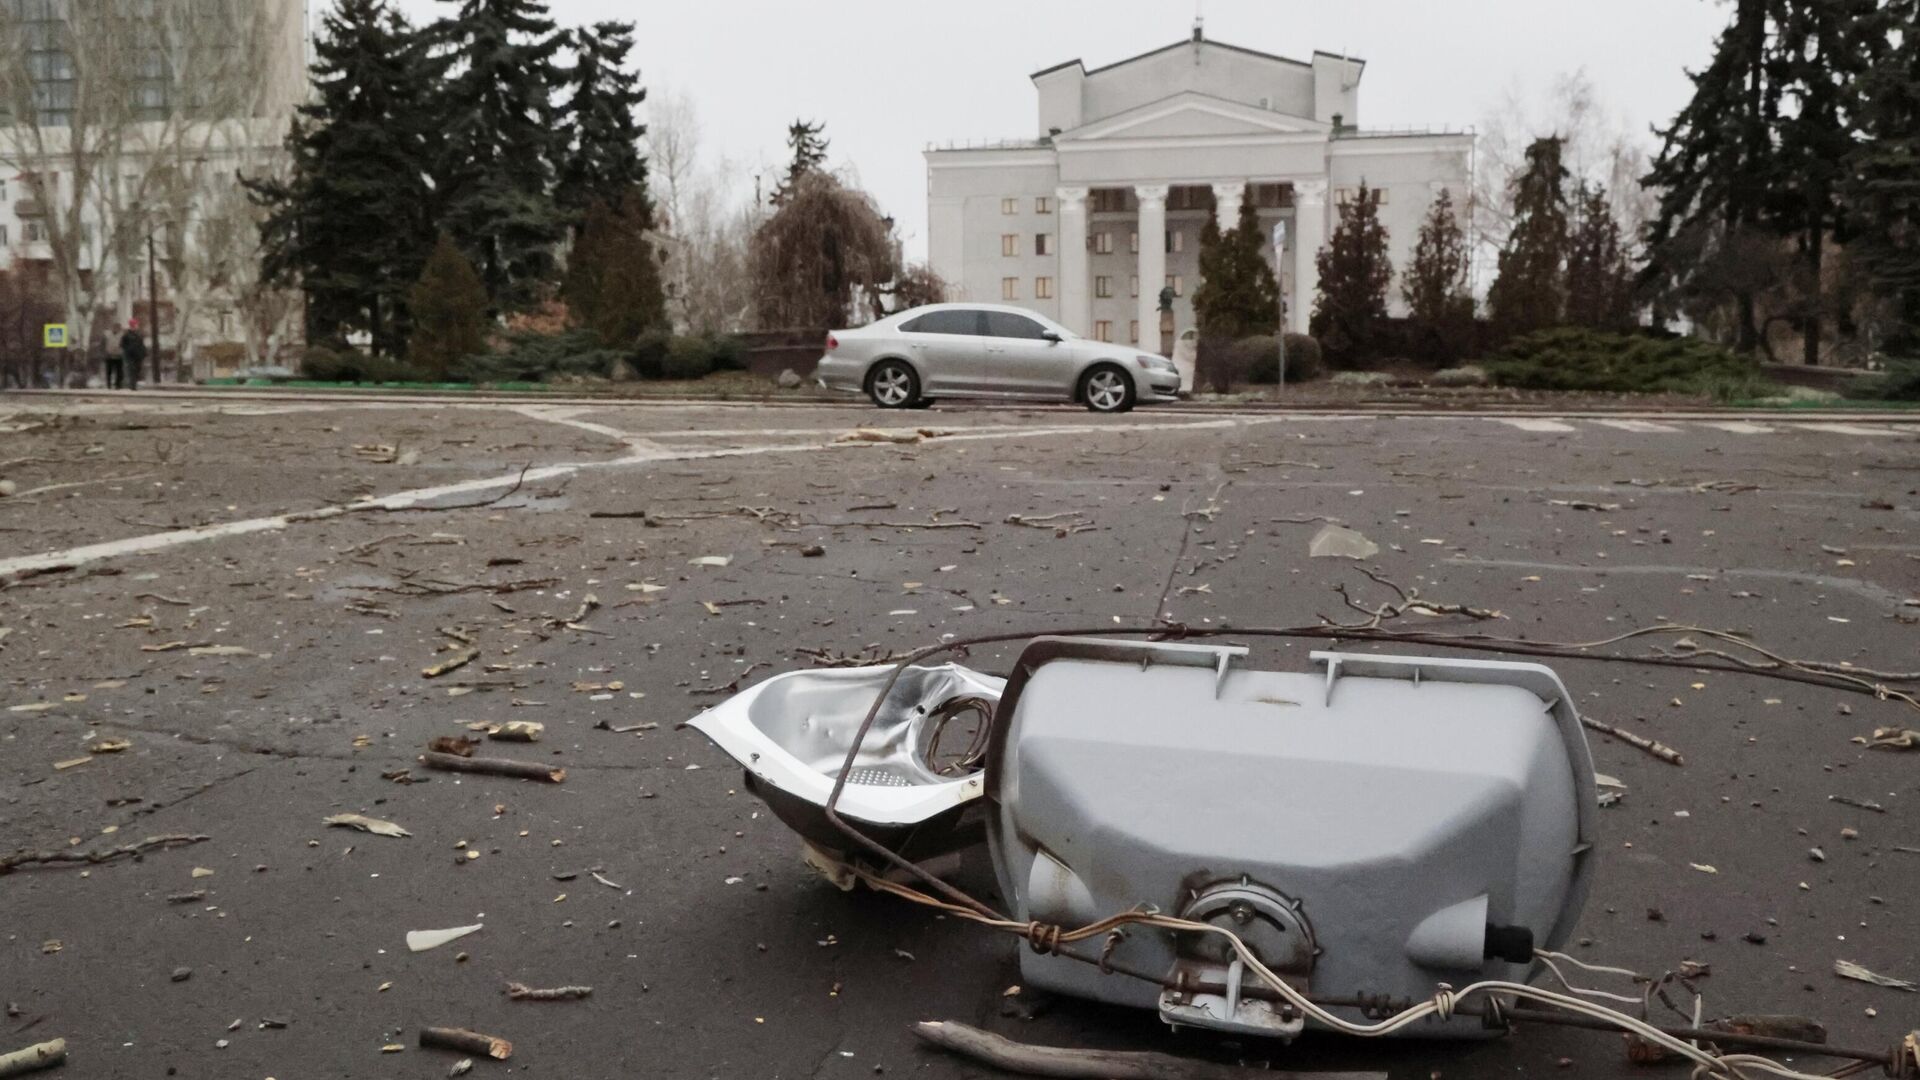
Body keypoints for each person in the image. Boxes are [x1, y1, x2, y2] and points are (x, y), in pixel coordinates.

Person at [119, 320, 146, 391]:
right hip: (130, 355)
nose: (135, 327)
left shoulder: (139, 334)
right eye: (134, 325)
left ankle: (134, 384)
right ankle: (132, 385)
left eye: (136, 325)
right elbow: (122, 344)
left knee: (137, 370)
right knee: (131, 370)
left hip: (138, 355)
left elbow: (142, 344)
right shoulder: (127, 335)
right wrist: (128, 350)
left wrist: (143, 353)